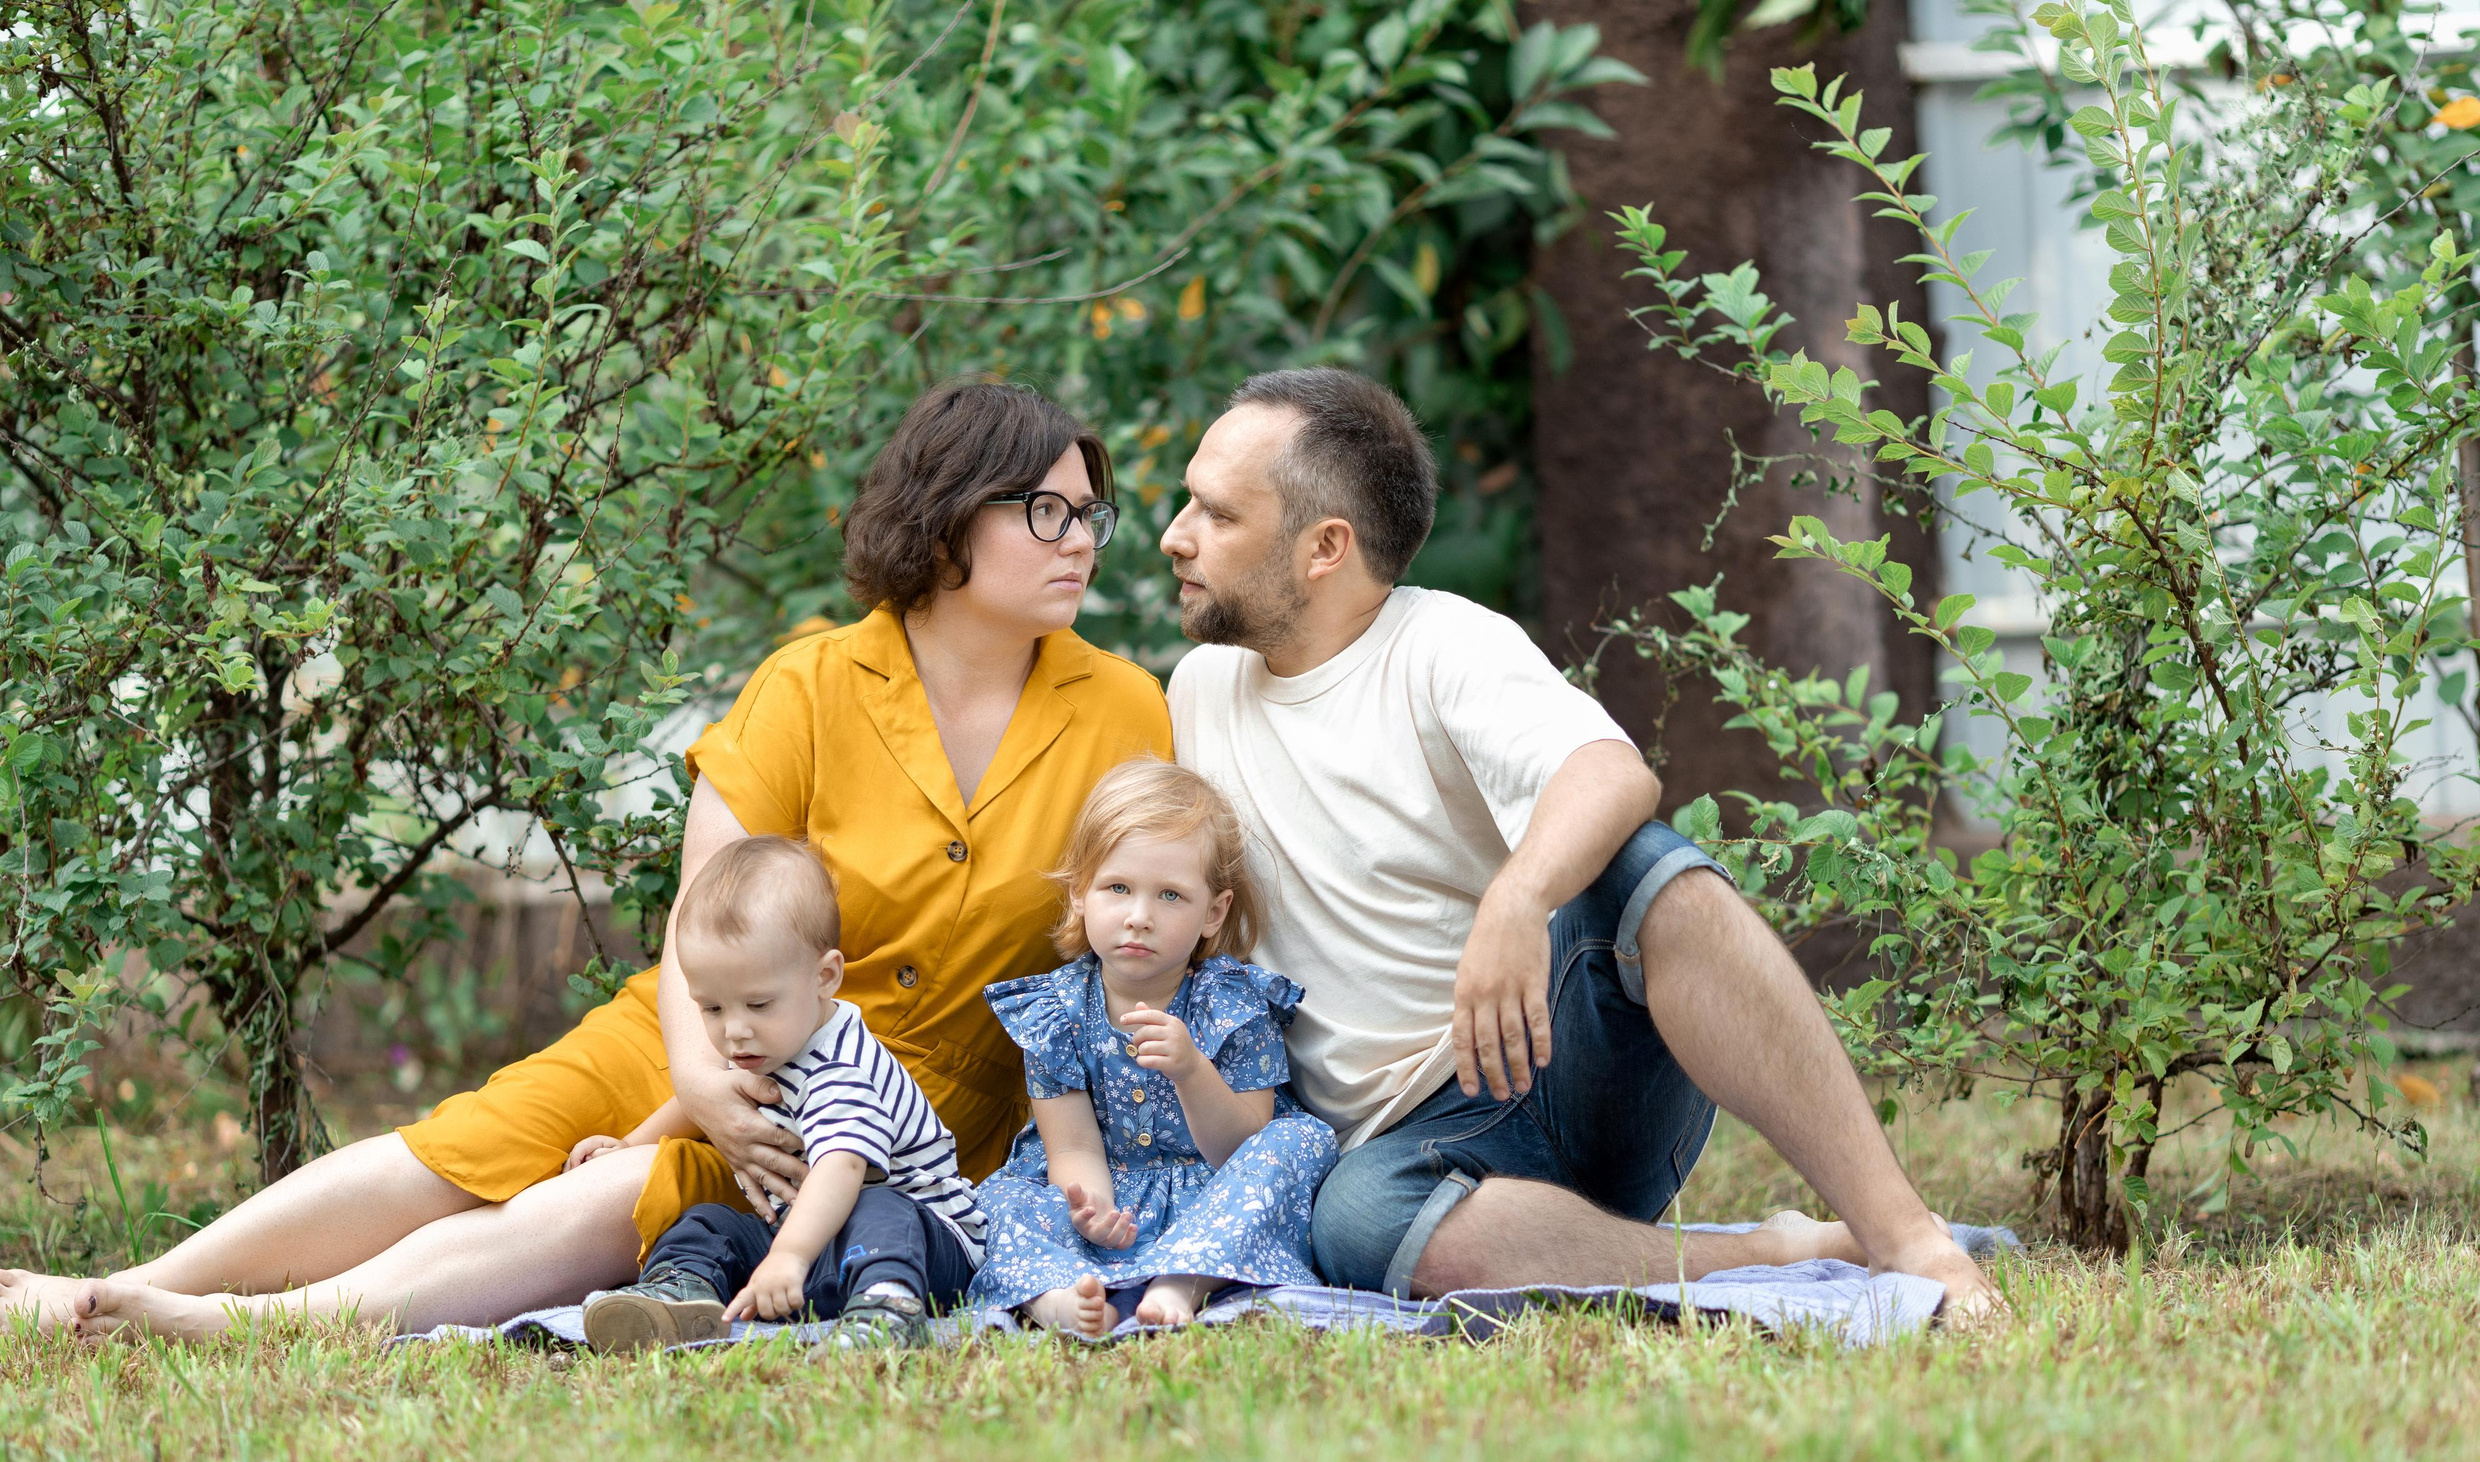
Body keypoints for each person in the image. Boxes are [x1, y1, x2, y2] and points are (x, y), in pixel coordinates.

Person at [0, 381, 1170, 1339]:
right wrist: (697, 1080)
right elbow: (705, 909)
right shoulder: (813, 679)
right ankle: (117, 1282)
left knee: (600, 1200)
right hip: (704, 1021)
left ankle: (236, 1325)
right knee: (477, 1141)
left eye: (1089, 516)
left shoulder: (1121, 711)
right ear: (952, 517)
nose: (1081, 543)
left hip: (888, 1104)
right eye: (1046, 512)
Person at [1158, 368, 2000, 1320]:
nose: (1175, 536)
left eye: (1216, 514)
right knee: (1353, 1223)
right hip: (1408, 1164)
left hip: (1558, 1063)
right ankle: (1768, 1250)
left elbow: (1610, 771)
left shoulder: (1441, 645)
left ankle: (1911, 1243)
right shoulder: (1200, 691)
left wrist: (1517, 902)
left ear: (1326, 547)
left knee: (1647, 871)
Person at [965, 759, 1336, 1335]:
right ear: (1080, 895)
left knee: (1296, 1144)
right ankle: (1061, 1297)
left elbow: (1243, 1147)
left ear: (1214, 912)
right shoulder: (1054, 1012)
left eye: (1170, 895)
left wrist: (1192, 1071)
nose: (1139, 917)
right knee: (1003, 1201)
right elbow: (1071, 1147)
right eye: (1118, 888)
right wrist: (1093, 1212)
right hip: (1104, 1189)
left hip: (1213, 1192)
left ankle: (1182, 1279)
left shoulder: (1233, 1005)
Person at [576, 836, 984, 1353]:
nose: (735, 1031)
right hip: (810, 1240)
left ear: (825, 976)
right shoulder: (766, 1042)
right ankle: (681, 1295)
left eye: (757, 1003)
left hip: (925, 1246)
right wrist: (631, 1143)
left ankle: (887, 1311)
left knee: (879, 1207)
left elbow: (843, 1168)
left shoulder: (840, 1067)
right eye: (713, 1009)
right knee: (707, 1222)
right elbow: (710, 1096)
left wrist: (789, 1256)